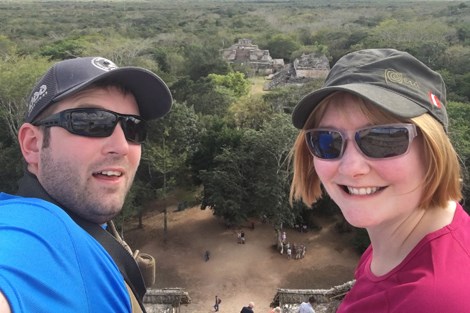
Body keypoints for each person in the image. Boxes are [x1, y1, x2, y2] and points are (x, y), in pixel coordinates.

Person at [290, 48, 470, 312]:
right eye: (327, 140)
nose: (351, 168)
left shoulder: (434, 300)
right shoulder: (396, 242)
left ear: (433, 148)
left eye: (383, 138)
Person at [0, 57, 172, 312]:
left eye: (133, 128)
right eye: (91, 121)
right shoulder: (35, 231)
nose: (122, 146)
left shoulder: (86, 223)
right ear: (33, 145)